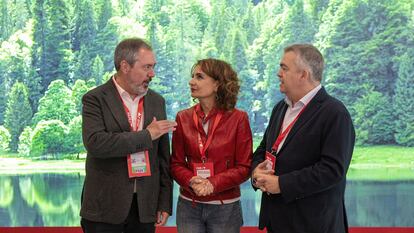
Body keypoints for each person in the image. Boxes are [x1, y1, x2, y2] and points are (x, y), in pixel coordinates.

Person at [251, 44, 355, 233]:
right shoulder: (280, 109)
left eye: (284, 68)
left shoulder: (335, 113)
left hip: (315, 225)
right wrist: (256, 172)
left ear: (303, 74)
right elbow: (263, 150)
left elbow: (332, 170)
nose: (278, 73)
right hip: (277, 221)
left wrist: (282, 184)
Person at [80, 38, 177, 233]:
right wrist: (147, 135)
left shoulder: (157, 101)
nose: (152, 74)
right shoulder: (95, 98)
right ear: (125, 66)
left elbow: (163, 159)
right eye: (147, 67)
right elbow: (96, 143)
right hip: (104, 209)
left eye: (153, 67)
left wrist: (164, 202)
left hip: (144, 208)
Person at [170, 58, 253, 233]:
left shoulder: (239, 118)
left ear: (217, 85)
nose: (191, 81)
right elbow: (176, 163)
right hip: (188, 206)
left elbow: (245, 167)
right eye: (192, 76)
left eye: (199, 77)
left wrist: (212, 184)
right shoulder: (182, 117)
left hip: (225, 208)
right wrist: (191, 180)